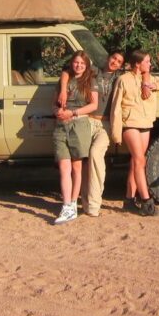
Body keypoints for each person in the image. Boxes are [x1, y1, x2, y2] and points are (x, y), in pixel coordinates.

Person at [58, 49, 125, 217]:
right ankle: (84, 203)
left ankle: (94, 205)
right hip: (87, 120)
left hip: (105, 124)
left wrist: (150, 83)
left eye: (119, 62)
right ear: (108, 58)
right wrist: (63, 90)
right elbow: (67, 71)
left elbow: (145, 75)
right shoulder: (93, 71)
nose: (115, 62)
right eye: (114, 58)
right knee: (84, 160)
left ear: (121, 66)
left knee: (95, 154)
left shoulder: (120, 78)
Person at [110, 49, 159, 217]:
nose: (150, 64)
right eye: (147, 61)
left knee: (136, 162)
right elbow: (116, 107)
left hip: (145, 123)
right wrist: (116, 134)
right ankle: (146, 201)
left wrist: (153, 85)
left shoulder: (149, 79)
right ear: (137, 64)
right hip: (129, 123)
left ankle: (129, 199)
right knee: (139, 160)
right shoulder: (123, 79)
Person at [51, 51, 98, 225]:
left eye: (82, 63)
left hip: (79, 123)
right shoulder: (64, 79)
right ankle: (66, 205)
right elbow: (53, 103)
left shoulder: (90, 81)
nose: (78, 65)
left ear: (86, 66)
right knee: (64, 166)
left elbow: (94, 105)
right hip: (61, 126)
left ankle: (72, 205)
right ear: (71, 63)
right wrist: (57, 112)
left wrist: (73, 112)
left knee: (77, 168)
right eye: (76, 62)